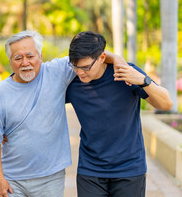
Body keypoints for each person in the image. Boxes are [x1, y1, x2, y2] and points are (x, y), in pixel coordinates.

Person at [0, 30, 123, 197]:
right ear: (10, 61)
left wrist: (117, 59)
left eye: (30, 56)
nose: (25, 63)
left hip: (50, 178)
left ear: (40, 55)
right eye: (18, 58)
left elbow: (92, 56)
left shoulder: (57, 71)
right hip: (12, 180)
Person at [66, 31, 173, 197]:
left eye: (86, 67)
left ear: (101, 58)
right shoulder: (72, 81)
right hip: (90, 170)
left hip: (129, 169)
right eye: (75, 66)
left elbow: (166, 103)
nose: (80, 73)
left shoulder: (125, 72)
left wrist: (143, 81)